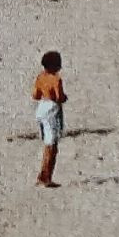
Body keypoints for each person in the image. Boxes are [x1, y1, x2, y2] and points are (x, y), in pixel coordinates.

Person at [32, 51, 68, 187]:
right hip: (52, 109)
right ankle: (46, 176)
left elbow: (35, 95)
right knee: (52, 145)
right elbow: (59, 97)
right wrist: (64, 98)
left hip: (41, 107)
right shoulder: (56, 79)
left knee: (47, 143)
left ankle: (42, 174)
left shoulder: (40, 77)